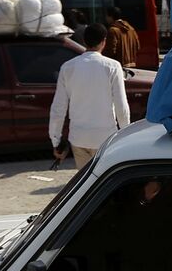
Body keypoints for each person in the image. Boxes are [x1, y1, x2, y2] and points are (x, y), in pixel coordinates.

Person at [49, 23, 130, 169]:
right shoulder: (112, 66)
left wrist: (56, 140)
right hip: (105, 137)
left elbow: (58, 108)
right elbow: (121, 107)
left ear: (84, 41)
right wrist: (125, 137)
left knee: (86, 183)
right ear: (104, 41)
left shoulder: (68, 67)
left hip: (78, 138)